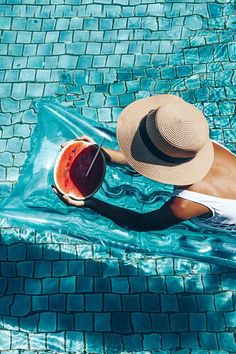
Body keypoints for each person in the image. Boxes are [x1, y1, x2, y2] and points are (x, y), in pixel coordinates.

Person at [52, 94, 236, 231]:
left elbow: (141, 223)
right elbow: (145, 160)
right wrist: (98, 153)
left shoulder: (184, 205)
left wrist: (90, 203)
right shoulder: (197, 144)